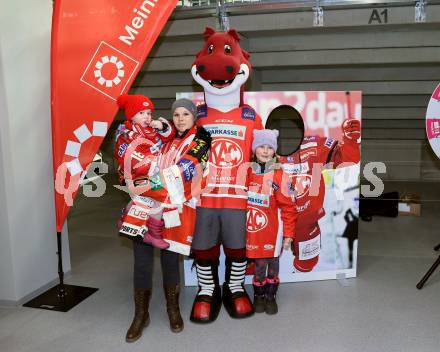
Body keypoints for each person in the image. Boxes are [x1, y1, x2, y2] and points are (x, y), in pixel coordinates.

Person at [118, 98, 211, 342]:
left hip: (174, 207)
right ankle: (141, 314)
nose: (180, 118)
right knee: (142, 260)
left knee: (170, 260)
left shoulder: (200, 139)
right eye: (176, 114)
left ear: (194, 117)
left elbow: (185, 170)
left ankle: (173, 308)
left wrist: (148, 185)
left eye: (185, 114)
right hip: (146, 204)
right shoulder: (163, 136)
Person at [279, 119, 361, 272]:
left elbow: (349, 159)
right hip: (274, 219)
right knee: (258, 260)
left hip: (306, 221)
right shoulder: (265, 148)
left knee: (306, 265)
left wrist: (350, 141)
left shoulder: (316, 144)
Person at [246, 129, 297, 314]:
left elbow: (289, 208)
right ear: (254, 149)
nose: (266, 151)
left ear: (275, 151)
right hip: (253, 232)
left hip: (274, 233)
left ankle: (271, 296)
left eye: (270, 147)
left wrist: (289, 235)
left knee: (273, 266)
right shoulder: (246, 173)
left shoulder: (280, 176)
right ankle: (258, 296)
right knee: (258, 266)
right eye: (261, 147)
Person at [115, 93, 174, 249]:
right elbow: (128, 156)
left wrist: (164, 128)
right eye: (141, 113)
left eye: (149, 113)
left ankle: (126, 218)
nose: (147, 117)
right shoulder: (125, 133)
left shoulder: (150, 130)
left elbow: (169, 138)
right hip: (133, 174)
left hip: (150, 173)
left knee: (148, 200)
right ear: (131, 116)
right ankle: (154, 234)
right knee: (161, 196)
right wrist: (153, 163)